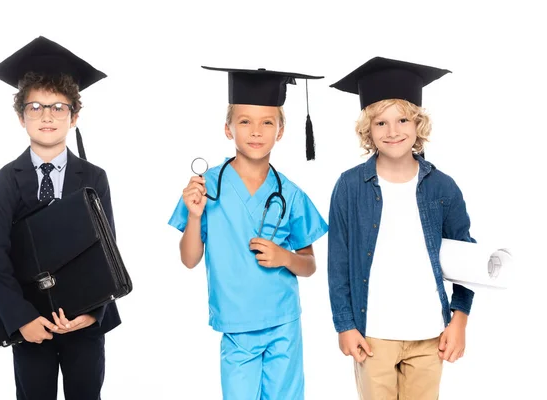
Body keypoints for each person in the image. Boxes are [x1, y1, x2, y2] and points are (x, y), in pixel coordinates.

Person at [168, 66, 328, 399]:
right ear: (228, 129)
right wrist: (195, 216)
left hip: (283, 322)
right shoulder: (206, 187)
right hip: (237, 327)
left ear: (280, 131)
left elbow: (310, 265)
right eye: (245, 121)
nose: (256, 131)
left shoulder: (290, 193)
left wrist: (285, 257)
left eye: (267, 122)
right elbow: (189, 259)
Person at [0, 36, 120, 400]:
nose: (47, 116)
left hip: (83, 321)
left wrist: (92, 313)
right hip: (30, 322)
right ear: (20, 115)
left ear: (74, 116)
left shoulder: (93, 178)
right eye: (36, 106)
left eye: (58, 107)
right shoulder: (8, 179)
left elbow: (108, 251)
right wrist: (21, 319)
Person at [327, 56, 476, 399]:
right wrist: (345, 325)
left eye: (402, 119)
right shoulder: (350, 187)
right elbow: (338, 264)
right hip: (373, 336)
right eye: (380, 123)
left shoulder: (443, 187)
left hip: (429, 335)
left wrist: (460, 320)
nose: (392, 131)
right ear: (368, 129)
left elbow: (468, 259)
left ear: (418, 123)